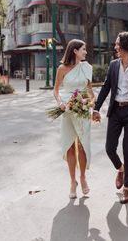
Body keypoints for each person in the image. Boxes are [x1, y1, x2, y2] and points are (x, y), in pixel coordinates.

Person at [93, 31, 128, 203]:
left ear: (126, 46)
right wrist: (96, 109)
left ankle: (127, 188)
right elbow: (105, 88)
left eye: (118, 43)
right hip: (115, 111)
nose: (115, 46)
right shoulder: (113, 65)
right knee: (110, 148)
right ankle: (120, 168)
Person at [54, 39, 94, 199]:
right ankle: (72, 181)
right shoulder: (62, 69)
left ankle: (83, 177)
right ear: (75, 51)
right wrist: (61, 103)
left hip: (83, 110)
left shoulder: (87, 68)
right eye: (83, 49)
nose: (85, 52)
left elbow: (90, 91)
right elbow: (56, 90)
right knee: (70, 146)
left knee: (82, 145)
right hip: (68, 111)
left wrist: (90, 102)